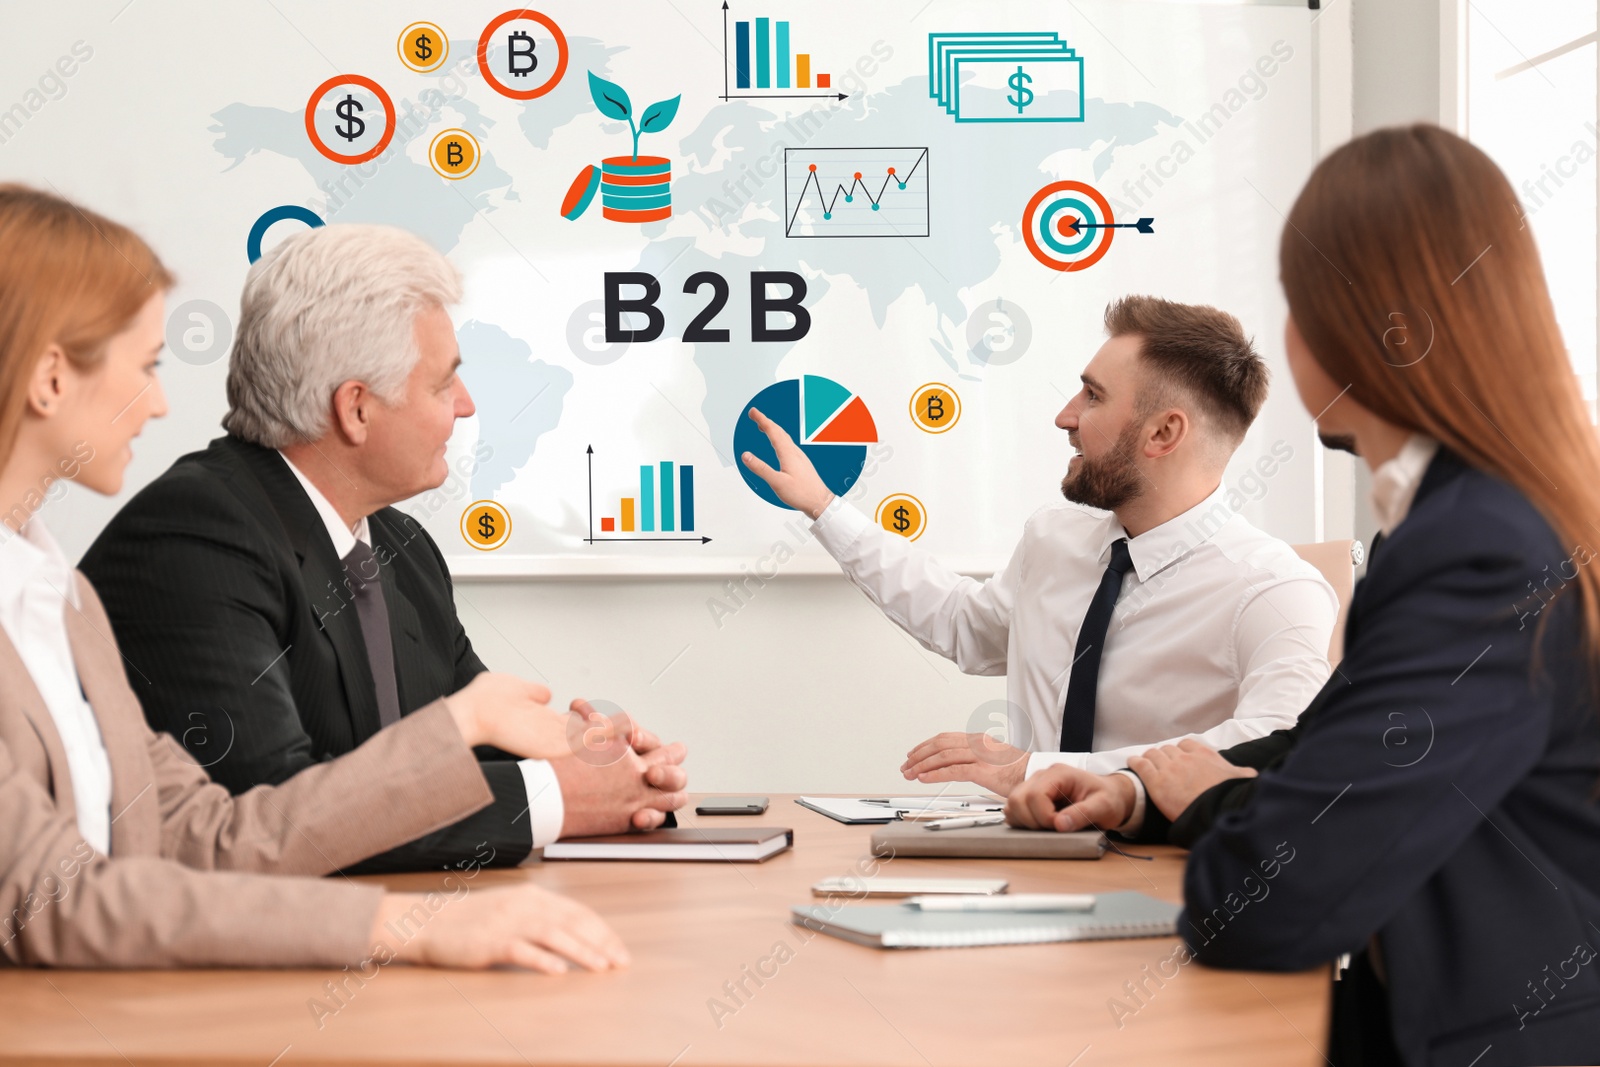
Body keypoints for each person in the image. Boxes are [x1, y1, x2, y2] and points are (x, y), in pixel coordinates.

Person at [1005, 126, 1600, 1064]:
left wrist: (1208, 803)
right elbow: (1336, 745)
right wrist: (1137, 791)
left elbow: (1272, 898)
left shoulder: (1477, 548)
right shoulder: (1469, 518)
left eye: (1296, 304)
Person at [0, 183, 629, 971]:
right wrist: (410, 926)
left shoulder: (61, 597)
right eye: (146, 366)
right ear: (52, 378)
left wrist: (574, 761)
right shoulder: (189, 533)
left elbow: (215, 836)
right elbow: (55, 898)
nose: (160, 404)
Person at [80, 223, 688, 874]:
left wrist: (592, 760)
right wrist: (554, 799)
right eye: (441, 384)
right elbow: (268, 813)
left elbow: (465, 742)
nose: (465, 405)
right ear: (356, 410)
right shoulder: (194, 537)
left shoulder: (401, 544)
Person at [741, 296, 1337, 803]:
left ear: (1163, 433)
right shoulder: (1055, 539)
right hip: (1029, 851)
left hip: (1165, 880)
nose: (1064, 417)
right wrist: (825, 507)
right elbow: (966, 627)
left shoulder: (1275, 589)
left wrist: (1038, 771)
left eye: (1093, 396)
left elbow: (1280, 741)